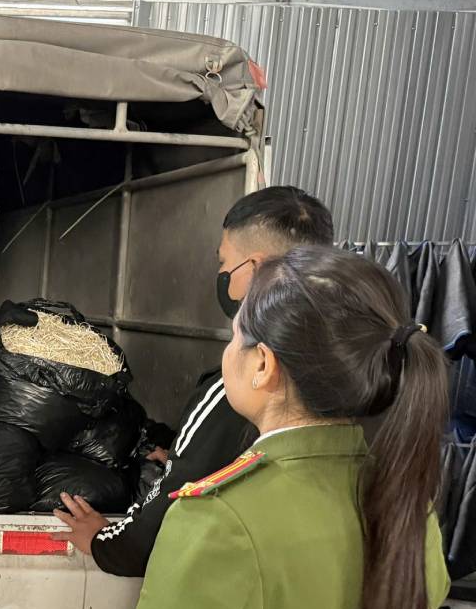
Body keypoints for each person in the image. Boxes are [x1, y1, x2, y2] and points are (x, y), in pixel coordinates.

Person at [70, 247, 451, 609]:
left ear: (263, 365)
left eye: (234, 338)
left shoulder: (221, 525)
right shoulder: (410, 517)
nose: (227, 352)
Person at [53, 185, 334, 574]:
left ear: (256, 269)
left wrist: (104, 539)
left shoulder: (237, 387)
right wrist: (189, 457)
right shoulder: (350, 373)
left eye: (224, 263)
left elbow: (150, 535)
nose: (221, 275)